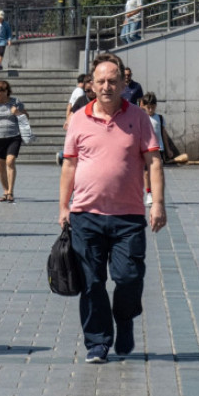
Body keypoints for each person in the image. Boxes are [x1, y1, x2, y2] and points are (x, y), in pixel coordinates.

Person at [59, 52, 165, 363]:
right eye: (101, 81)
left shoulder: (139, 118)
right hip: (85, 216)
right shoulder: (78, 119)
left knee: (129, 277)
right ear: (91, 85)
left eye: (112, 81)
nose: (107, 86)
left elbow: (154, 162)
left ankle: (124, 318)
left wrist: (157, 203)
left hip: (128, 217)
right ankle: (97, 342)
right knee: (91, 282)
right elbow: (69, 166)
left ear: (122, 83)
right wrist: (64, 206)